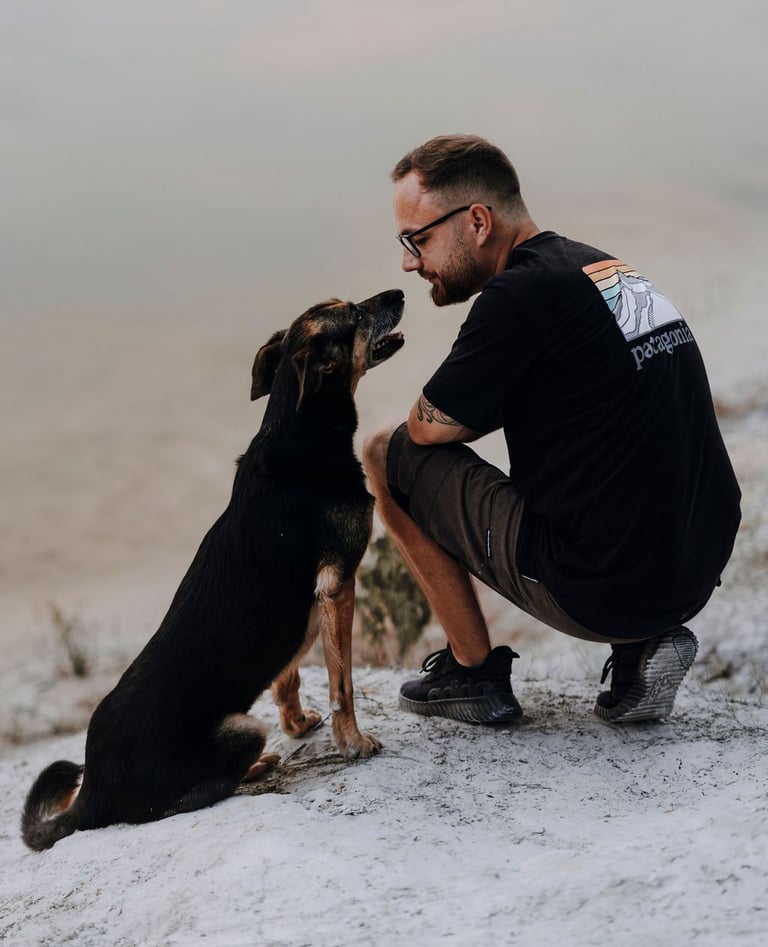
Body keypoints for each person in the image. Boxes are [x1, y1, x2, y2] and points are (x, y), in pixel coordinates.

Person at [362, 134, 741, 725]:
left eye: (418, 240)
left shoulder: (516, 297)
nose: (410, 263)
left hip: (597, 587)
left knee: (386, 450)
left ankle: (472, 675)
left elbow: (427, 429)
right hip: (699, 563)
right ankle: (640, 652)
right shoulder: (605, 269)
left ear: (479, 221)